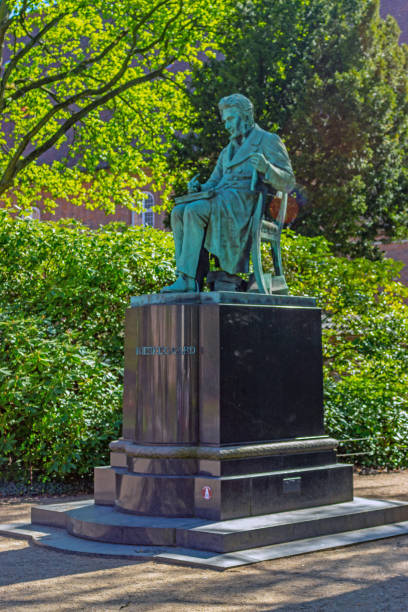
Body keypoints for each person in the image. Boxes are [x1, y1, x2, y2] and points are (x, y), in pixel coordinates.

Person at [161, 93, 295, 293]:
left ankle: (189, 279)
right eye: (225, 121)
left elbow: (288, 181)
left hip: (244, 207)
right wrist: (199, 188)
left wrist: (267, 168)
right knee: (179, 211)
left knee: (195, 210)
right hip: (222, 202)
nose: (226, 125)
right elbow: (214, 182)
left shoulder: (267, 140)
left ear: (246, 116)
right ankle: (187, 277)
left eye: (231, 119)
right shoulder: (227, 152)